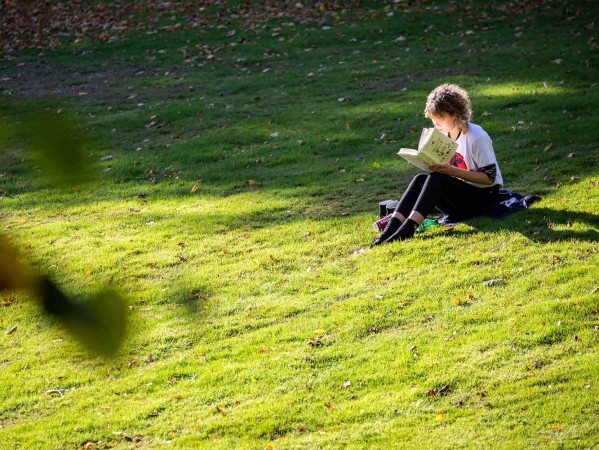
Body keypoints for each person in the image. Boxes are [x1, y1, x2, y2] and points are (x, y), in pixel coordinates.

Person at [371, 83, 503, 246]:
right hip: (460, 198)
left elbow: (489, 178)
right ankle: (389, 231)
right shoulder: (444, 135)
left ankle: (407, 230)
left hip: (485, 198)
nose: (436, 123)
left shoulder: (476, 136)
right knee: (421, 178)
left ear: (455, 114)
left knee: (437, 179)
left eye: (439, 118)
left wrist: (451, 171)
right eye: (433, 118)